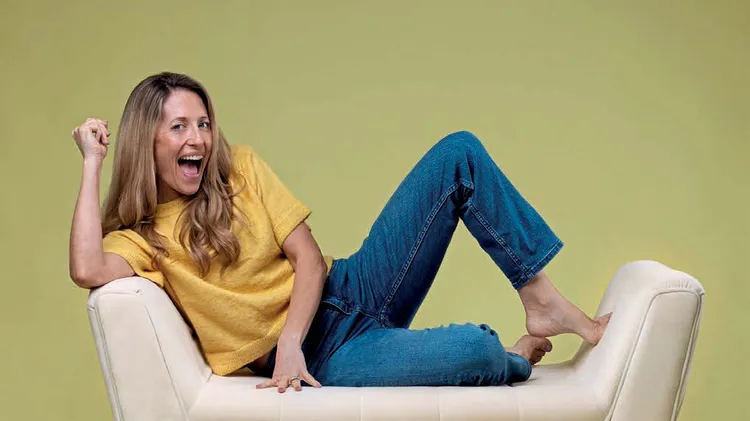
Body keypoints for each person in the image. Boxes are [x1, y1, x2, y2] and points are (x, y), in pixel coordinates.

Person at [69, 72, 611, 393]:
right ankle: (516, 355)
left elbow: (307, 257)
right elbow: (87, 268)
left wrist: (287, 342)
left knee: (459, 153)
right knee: (479, 353)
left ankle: (540, 299)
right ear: (147, 140)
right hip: (333, 354)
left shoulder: (241, 170)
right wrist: (93, 162)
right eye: (179, 127)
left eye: (204, 123)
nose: (199, 139)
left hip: (352, 285)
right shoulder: (144, 242)